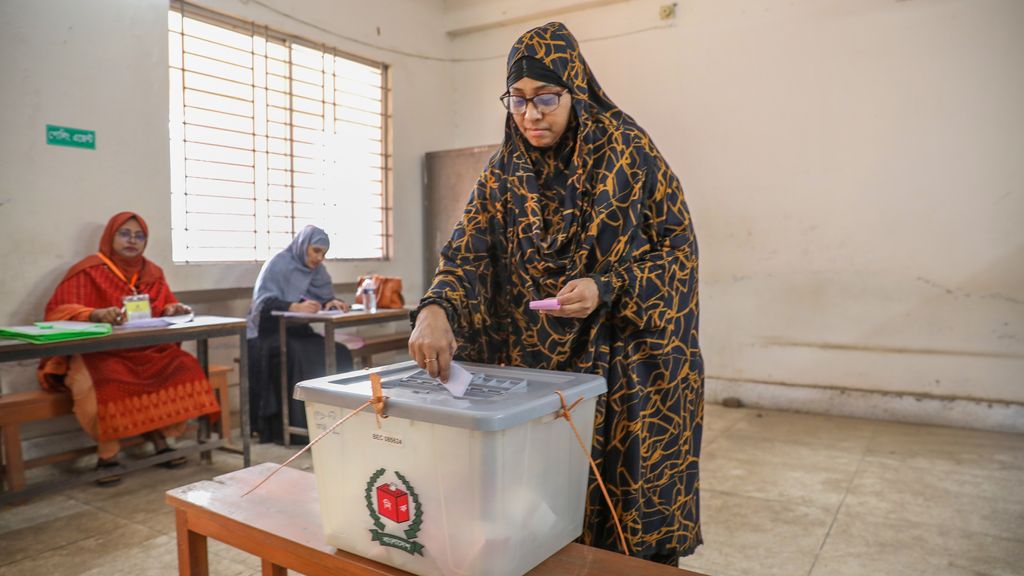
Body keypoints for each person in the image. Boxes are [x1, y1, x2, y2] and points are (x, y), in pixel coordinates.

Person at [408, 22, 704, 564]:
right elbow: (467, 252)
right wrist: (436, 306)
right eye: (517, 100)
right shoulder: (503, 172)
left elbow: (677, 255)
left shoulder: (628, 153)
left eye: (546, 97)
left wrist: (607, 286)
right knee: (540, 519)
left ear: (575, 89)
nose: (531, 114)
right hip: (540, 376)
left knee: (624, 525)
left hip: (624, 368)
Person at [38, 212, 221, 486]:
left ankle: (161, 437)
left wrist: (173, 308)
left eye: (139, 235)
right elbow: (58, 311)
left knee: (183, 365)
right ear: (110, 237)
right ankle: (108, 454)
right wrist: (94, 314)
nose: (132, 240)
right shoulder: (88, 270)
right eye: (125, 234)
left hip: (146, 350)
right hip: (101, 353)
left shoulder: (152, 272)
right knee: (105, 381)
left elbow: (165, 307)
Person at [246, 225, 353, 444]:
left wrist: (330, 303)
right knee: (298, 353)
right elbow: (263, 304)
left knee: (339, 352)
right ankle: (294, 430)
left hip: (299, 331)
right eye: (315, 251)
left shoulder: (318, 272)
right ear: (303, 246)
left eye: (323, 253)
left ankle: (338, 421)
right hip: (269, 333)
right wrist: (293, 307)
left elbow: (321, 298)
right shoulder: (278, 264)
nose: (319, 258)